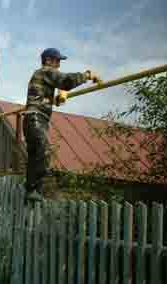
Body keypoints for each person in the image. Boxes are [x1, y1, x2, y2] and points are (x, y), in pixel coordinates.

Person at [24, 48, 101, 201]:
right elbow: (66, 81)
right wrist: (86, 75)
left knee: (35, 155)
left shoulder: (42, 77)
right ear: (48, 60)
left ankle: (32, 192)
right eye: (57, 61)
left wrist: (57, 99)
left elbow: (43, 97)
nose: (59, 65)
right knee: (43, 152)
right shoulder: (45, 71)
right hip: (36, 118)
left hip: (35, 118)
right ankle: (34, 190)